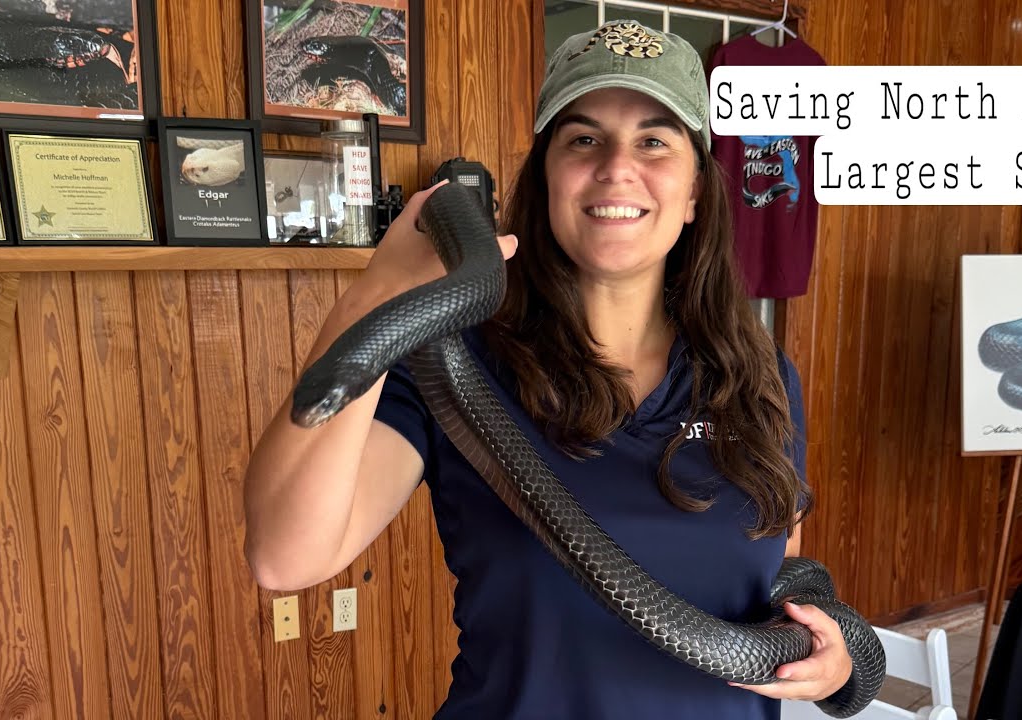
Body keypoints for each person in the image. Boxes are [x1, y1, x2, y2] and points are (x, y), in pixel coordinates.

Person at [244, 19, 876, 720]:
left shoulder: (758, 376)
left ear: (696, 190)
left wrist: (838, 653)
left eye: (654, 141)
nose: (615, 166)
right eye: (583, 139)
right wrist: (377, 296)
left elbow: (784, 567)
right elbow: (285, 557)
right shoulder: (454, 365)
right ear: (545, 176)